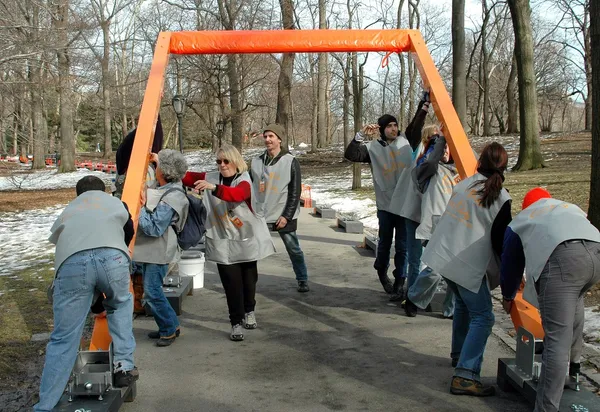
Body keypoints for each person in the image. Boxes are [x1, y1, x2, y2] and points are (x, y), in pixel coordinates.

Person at [34, 176, 138, 412]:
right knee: (120, 304)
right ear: (103, 191)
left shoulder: (70, 210)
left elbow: (65, 246)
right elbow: (128, 231)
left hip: (71, 263)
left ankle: (45, 406)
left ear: (77, 193)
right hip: (113, 256)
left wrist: (92, 300)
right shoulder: (116, 203)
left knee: (63, 338)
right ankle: (123, 364)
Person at [421, 142, 512, 397]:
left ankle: (459, 355)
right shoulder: (501, 198)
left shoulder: (464, 185)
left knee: (463, 305)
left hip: (444, 257)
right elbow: (501, 243)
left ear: (480, 161)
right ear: (504, 166)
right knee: (484, 316)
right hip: (466, 263)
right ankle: (465, 375)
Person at [500, 188, 600, 412]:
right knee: (575, 303)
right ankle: (574, 369)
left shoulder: (523, 219)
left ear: (526, 206)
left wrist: (508, 295)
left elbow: (510, 261)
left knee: (556, 339)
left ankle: (546, 408)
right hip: (595, 254)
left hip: (564, 260)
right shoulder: (566, 207)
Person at [344, 92, 430, 295]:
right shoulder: (372, 148)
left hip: (405, 204)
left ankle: (400, 280)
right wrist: (359, 136)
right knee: (384, 244)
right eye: (389, 126)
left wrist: (424, 104)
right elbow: (351, 154)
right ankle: (381, 270)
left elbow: (416, 125)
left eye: (395, 125)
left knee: (402, 246)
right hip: (385, 205)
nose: (393, 129)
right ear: (381, 129)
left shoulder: (406, 141)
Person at [193, 144, 275, 341]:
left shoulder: (244, 180)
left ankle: (249, 310)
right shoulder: (211, 177)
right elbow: (185, 176)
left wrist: (214, 188)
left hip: (245, 237)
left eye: (226, 161)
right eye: (218, 161)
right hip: (222, 238)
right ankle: (235, 322)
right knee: (231, 283)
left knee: (248, 280)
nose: (222, 165)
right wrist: (160, 162)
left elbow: (237, 195)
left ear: (235, 161)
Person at [133, 149, 189, 347]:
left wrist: (139, 209)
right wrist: (158, 159)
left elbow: (154, 227)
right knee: (153, 290)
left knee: (152, 291)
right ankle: (171, 325)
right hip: (154, 250)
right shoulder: (169, 186)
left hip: (159, 249)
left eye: (158, 166)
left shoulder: (172, 196)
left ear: (164, 171)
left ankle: (168, 330)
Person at [250, 124, 309, 293]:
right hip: (261, 214)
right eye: (265, 136)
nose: (268, 139)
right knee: (252, 250)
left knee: (294, 249)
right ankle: (249, 282)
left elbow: (295, 192)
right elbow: (247, 186)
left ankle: (302, 278)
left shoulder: (290, 161)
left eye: (271, 136)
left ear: (279, 140)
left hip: (282, 215)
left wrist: (287, 216)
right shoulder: (256, 162)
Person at [406, 133, 458, 318]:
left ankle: (451, 310)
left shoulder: (462, 171)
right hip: (435, 226)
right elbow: (429, 163)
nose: (444, 151)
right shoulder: (428, 170)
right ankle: (413, 299)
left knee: (455, 272)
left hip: (457, 227)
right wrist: (441, 141)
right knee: (435, 270)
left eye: (448, 147)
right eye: (441, 148)